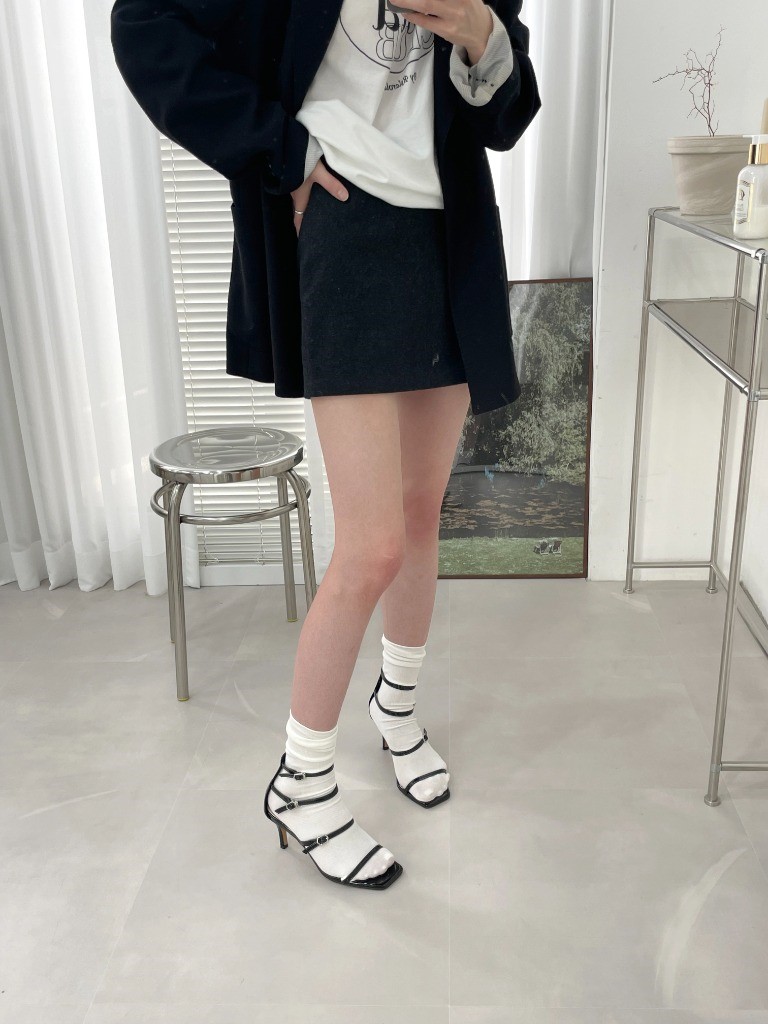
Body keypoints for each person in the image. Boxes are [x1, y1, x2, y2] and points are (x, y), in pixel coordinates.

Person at [111, 0, 541, 891]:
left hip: (451, 230)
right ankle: (301, 782)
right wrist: (286, 149)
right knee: (372, 545)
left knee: (420, 516)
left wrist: (480, 33)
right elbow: (144, 25)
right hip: (345, 227)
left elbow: (504, 118)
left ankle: (398, 709)